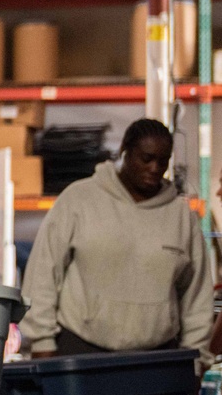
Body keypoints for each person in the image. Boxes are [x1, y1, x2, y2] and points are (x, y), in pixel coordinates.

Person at [19, 117, 212, 366]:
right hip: (79, 350)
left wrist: (196, 361)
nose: (155, 168)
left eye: (162, 161)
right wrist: (42, 343)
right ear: (124, 151)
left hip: (157, 359)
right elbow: (43, 275)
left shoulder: (181, 218)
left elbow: (197, 298)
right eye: (146, 158)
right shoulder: (79, 200)